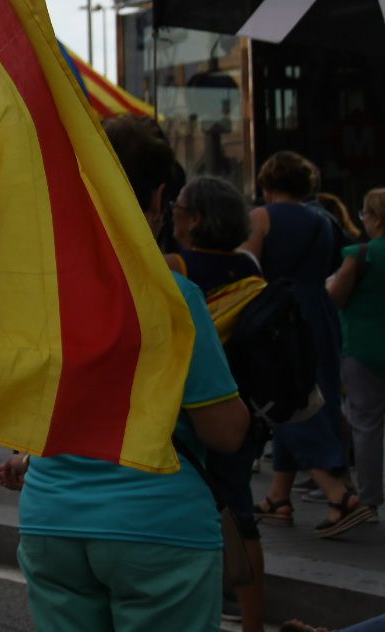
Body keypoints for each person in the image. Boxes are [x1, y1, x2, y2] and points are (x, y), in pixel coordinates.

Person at [0, 115, 249, 632]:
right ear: (157, 200)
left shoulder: (37, 295)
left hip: (51, 520)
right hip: (156, 526)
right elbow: (224, 431)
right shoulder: (172, 298)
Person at [244, 152, 367, 535]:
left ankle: (339, 495)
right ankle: (279, 497)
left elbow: (251, 269)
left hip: (280, 318)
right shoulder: (325, 220)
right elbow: (346, 260)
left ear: (267, 183)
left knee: (282, 401)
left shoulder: (261, 218)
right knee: (315, 395)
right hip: (320, 314)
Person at [170, 174, 270, 631]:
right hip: (240, 404)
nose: (173, 215)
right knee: (241, 513)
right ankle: (253, 623)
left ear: (195, 219)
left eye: (179, 208)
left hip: (190, 412)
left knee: (190, 510)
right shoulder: (249, 268)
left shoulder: (176, 269)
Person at [327, 187, 385, 525]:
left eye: (365, 214)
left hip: (363, 349)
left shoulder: (361, 254)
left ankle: (369, 500)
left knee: (367, 427)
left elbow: (334, 296)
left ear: (375, 218)